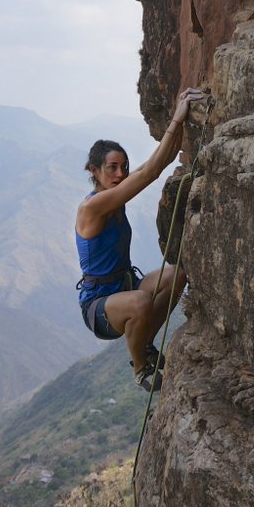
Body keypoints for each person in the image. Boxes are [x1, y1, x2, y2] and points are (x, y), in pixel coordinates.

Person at [75, 87, 203, 391]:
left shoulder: (114, 195)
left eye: (123, 167)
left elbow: (157, 163)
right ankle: (141, 367)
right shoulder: (92, 207)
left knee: (176, 275)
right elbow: (149, 174)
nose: (120, 174)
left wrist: (182, 121)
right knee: (141, 301)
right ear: (94, 170)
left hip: (126, 285)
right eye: (112, 168)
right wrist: (176, 118)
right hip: (99, 306)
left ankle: (144, 342)